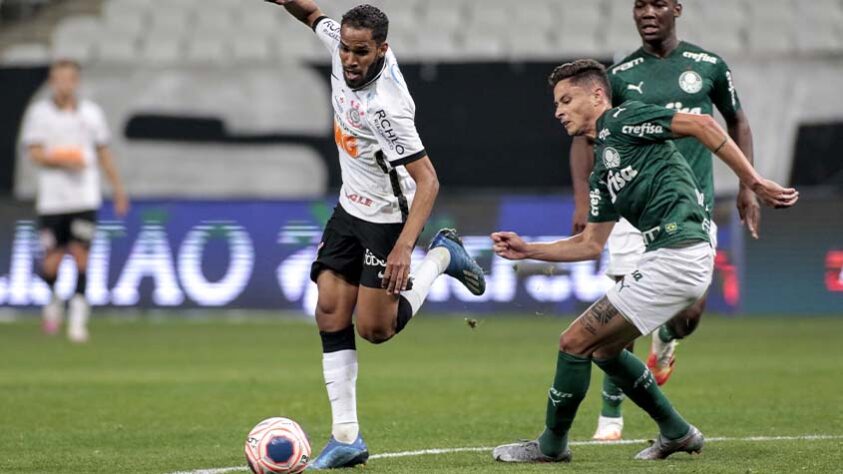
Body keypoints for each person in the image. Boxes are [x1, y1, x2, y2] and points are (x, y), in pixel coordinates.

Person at [491, 59, 796, 463]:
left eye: (566, 100)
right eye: (556, 104)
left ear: (598, 95)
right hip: (668, 256)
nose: (557, 111)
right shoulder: (602, 169)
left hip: (679, 252)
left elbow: (703, 125)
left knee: (573, 342)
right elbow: (590, 245)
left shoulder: (624, 118)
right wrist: (529, 250)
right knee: (605, 351)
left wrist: (752, 181)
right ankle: (677, 432)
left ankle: (551, 446)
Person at [262, 0, 486, 469]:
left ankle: (441, 256)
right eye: (345, 49)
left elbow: (429, 181)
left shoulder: (386, 109)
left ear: (383, 49)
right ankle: (346, 437)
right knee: (328, 310)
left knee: (375, 329)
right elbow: (311, 15)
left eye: (361, 52)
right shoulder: (340, 45)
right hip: (349, 206)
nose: (349, 59)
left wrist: (406, 246)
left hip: (387, 218)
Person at [567, 0, 760, 441]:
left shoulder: (708, 66)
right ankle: (610, 416)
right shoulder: (618, 75)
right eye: (639, 5)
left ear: (677, 8)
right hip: (632, 208)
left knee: (690, 314)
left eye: (657, 3)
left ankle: (668, 338)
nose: (647, 12)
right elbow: (586, 136)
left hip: (692, 206)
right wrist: (583, 200)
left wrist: (748, 185)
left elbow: (737, 122)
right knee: (618, 308)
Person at [20, 59, 129, 343]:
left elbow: (103, 152)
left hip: (84, 197)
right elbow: (34, 152)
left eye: (69, 79)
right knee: (52, 262)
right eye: (59, 79)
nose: (64, 84)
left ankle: (79, 319)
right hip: (53, 200)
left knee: (82, 256)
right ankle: (54, 299)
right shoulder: (39, 114)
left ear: (76, 82)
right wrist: (66, 158)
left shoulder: (91, 114)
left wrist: (117, 188)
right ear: (52, 82)